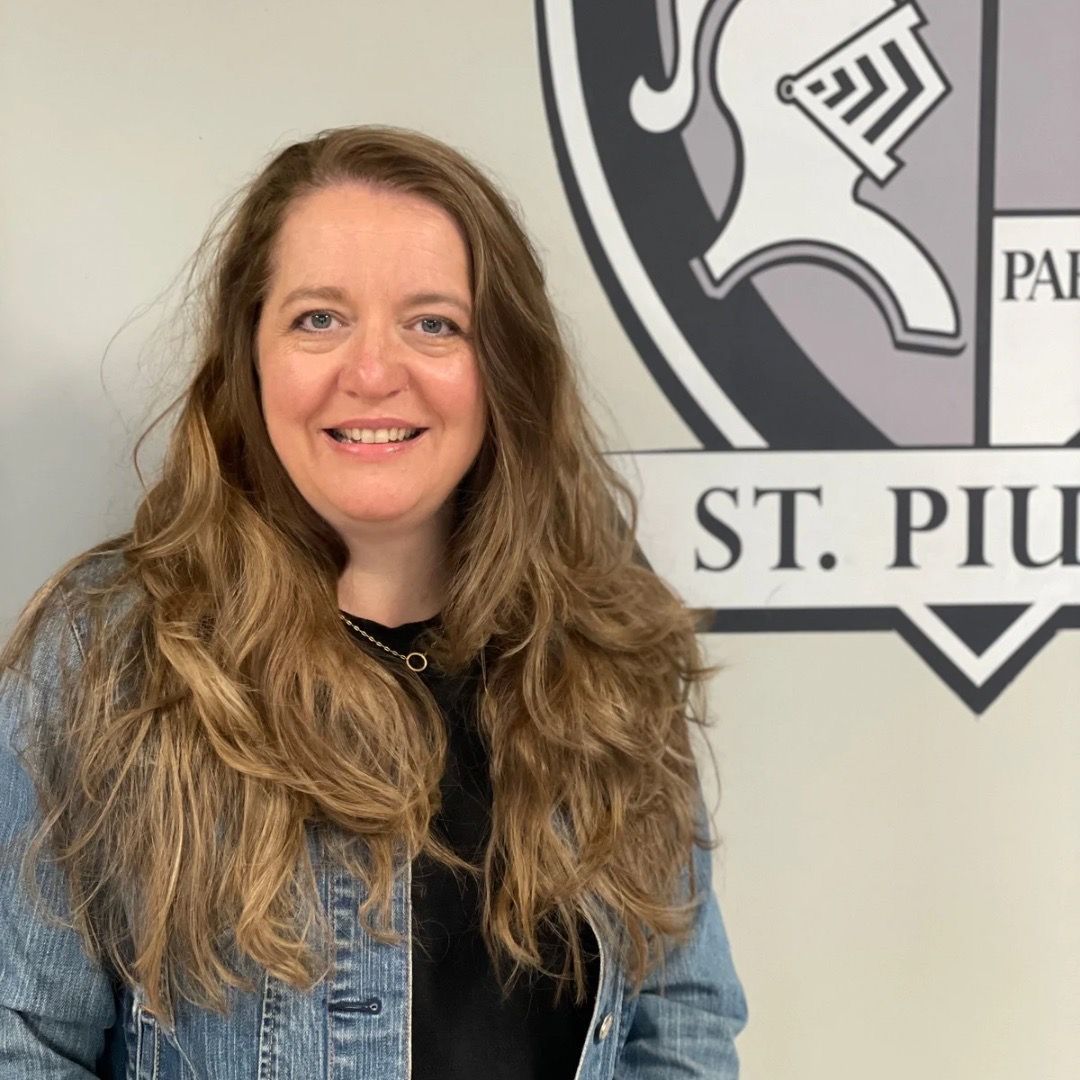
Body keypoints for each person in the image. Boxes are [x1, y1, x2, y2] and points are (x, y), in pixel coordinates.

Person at [0, 126, 746, 1078]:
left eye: (434, 323)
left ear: (502, 367)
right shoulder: (104, 662)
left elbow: (676, 1027)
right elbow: (22, 1046)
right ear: (251, 357)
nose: (373, 371)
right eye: (319, 318)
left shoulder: (603, 656)